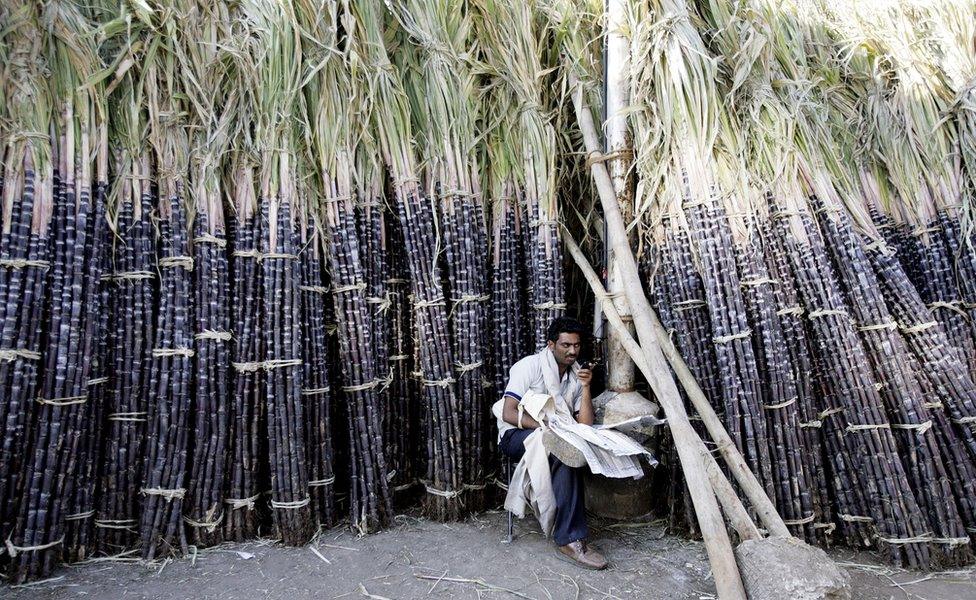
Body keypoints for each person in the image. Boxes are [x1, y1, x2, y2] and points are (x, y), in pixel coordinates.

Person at [496, 316, 608, 570]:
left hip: (553, 436)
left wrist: (587, 387)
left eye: (576, 346)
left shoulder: (576, 375)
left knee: (569, 449)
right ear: (550, 344)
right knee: (561, 449)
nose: (572, 351)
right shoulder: (529, 366)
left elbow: (585, 424)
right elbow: (509, 413)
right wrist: (546, 428)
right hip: (515, 435)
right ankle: (569, 538)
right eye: (565, 345)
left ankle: (568, 531)